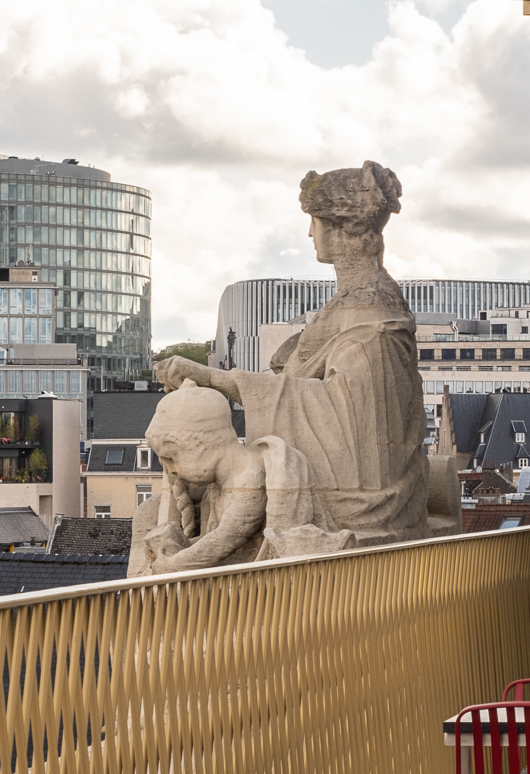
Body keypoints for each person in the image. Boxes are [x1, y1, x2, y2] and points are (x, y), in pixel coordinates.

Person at [156, 160, 437, 545]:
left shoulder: (373, 315)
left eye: (315, 221)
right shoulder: (350, 304)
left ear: (339, 228)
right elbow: (308, 393)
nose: (310, 232)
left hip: (363, 501)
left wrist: (215, 379)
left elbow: (349, 420)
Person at [128, 382, 351, 574]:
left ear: (200, 446)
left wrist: (172, 565)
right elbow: (213, 539)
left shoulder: (250, 478)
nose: (170, 470)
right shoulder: (217, 487)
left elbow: (225, 539)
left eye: (171, 458)